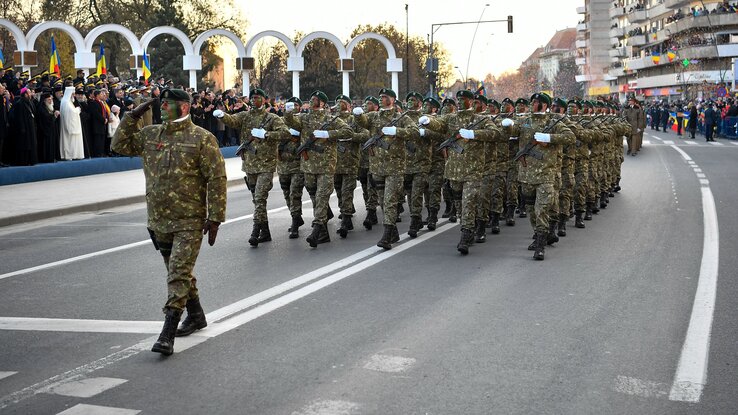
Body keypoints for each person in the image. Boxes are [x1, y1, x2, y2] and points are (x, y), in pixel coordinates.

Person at [111, 89, 227, 356]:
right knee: (180, 272)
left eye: (168, 104)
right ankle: (196, 315)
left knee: (177, 272)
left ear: (184, 108)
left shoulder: (202, 138)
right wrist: (132, 116)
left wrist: (215, 218)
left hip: (189, 219)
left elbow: (217, 178)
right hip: (159, 219)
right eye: (161, 103)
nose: (162, 107)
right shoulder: (151, 134)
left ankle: (168, 331)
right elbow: (118, 145)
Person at [214, 88, 288, 247]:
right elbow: (232, 120)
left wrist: (266, 135)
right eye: (252, 98)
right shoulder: (245, 116)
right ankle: (266, 231)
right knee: (257, 200)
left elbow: (285, 133)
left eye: (257, 98)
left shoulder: (272, 118)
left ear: (264, 100)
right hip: (249, 164)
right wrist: (222, 116)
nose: (254, 101)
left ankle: (255, 231)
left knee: (260, 197)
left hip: (266, 164)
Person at [284, 90, 352, 247]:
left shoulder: (330, 118)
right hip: (308, 166)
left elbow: (348, 131)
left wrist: (327, 134)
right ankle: (324, 233)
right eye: (311, 98)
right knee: (315, 197)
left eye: (315, 99)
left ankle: (316, 230)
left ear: (322, 103)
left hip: (326, 165)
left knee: (322, 196)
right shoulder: (304, 118)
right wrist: (287, 112)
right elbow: (291, 122)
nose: (312, 100)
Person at [355, 88, 419, 250]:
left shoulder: (400, 118)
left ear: (392, 99)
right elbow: (362, 122)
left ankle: (387, 234)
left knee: (390, 200)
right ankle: (394, 232)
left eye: (384, 97)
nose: (381, 99)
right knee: (383, 202)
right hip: (377, 167)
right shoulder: (374, 116)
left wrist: (397, 131)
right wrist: (357, 114)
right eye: (380, 97)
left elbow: (415, 132)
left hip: (395, 167)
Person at [59, 86, 85, 160]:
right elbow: (71, 113)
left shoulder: (68, 101)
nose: (74, 95)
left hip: (70, 124)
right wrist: (77, 110)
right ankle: (70, 155)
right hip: (68, 126)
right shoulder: (66, 102)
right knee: (69, 142)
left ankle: (74, 155)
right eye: (73, 94)